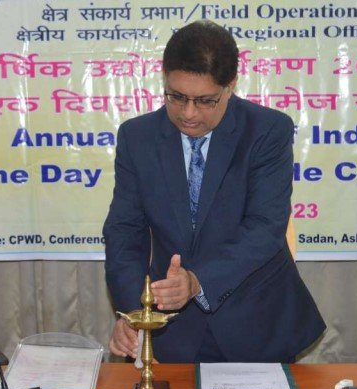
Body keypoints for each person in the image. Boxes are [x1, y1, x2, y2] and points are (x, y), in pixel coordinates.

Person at [103, 20, 325, 362]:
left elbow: (265, 228)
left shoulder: (267, 131)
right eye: (177, 97)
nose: (188, 113)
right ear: (164, 79)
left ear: (230, 85)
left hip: (256, 323)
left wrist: (197, 281)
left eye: (205, 101)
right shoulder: (138, 137)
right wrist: (136, 312)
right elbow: (124, 231)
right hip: (172, 329)